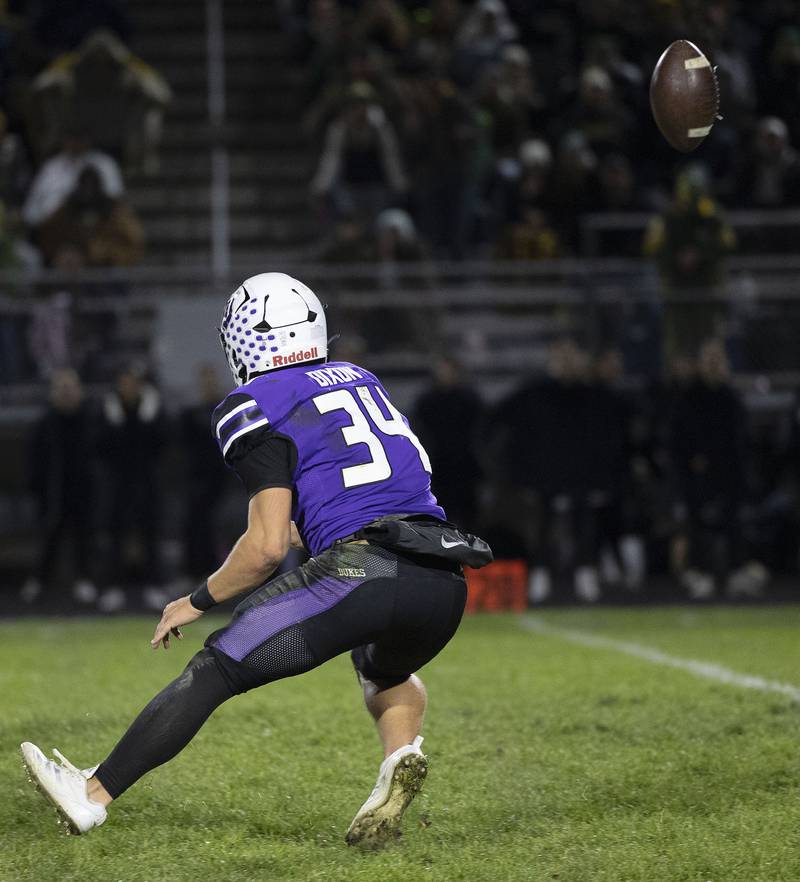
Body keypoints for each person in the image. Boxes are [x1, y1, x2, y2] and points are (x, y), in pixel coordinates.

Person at [21, 272, 492, 848]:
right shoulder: (360, 377)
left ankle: (90, 796)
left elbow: (266, 549)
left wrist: (197, 600)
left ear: (248, 339)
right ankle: (399, 760)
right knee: (385, 669)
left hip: (364, 570)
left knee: (215, 668)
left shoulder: (253, 402)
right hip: (443, 580)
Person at [19, 368, 98, 606]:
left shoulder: (90, 421)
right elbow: (34, 462)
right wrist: (38, 490)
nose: (66, 393)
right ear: (53, 393)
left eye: (70, 388)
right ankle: (38, 582)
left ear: (79, 391)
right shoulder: (45, 423)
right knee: (48, 539)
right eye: (61, 389)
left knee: (84, 538)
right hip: (53, 493)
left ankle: (84, 580)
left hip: (82, 491)